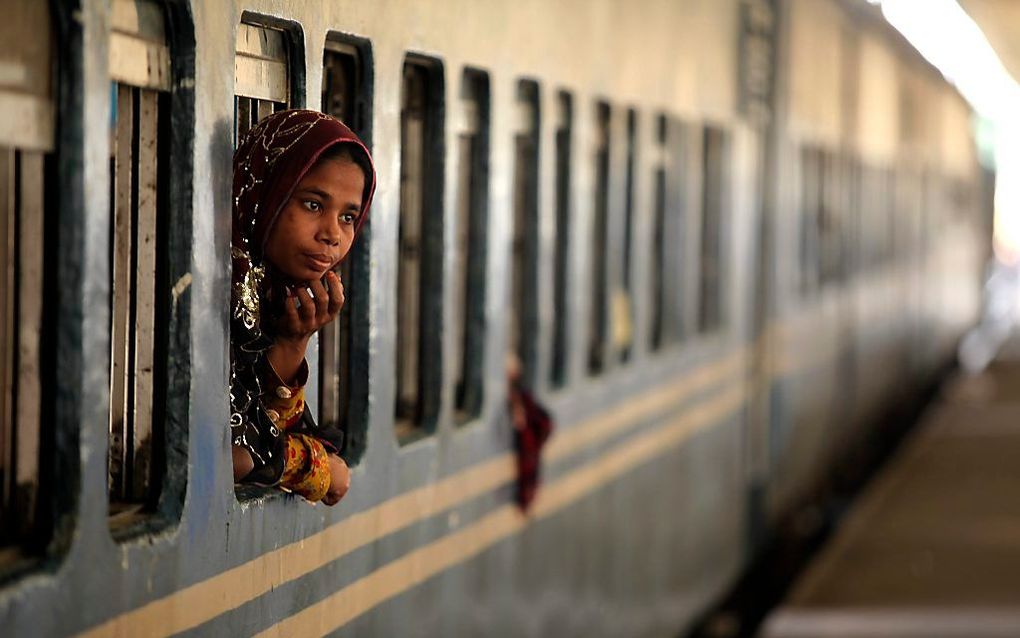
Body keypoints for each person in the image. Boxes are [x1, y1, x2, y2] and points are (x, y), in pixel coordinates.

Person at [229, 110, 375, 506]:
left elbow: (267, 425)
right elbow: (232, 457)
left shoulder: (273, 292)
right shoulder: (219, 282)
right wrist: (317, 469)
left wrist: (294, 342)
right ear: (269, 194)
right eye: (313, 205)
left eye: (348, 217)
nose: (332, 234)